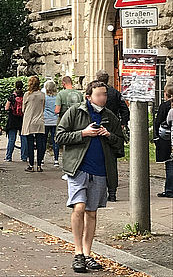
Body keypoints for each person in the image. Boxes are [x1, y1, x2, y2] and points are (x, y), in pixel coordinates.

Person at [56, 80, 124, 273]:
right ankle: (77, 252)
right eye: (99, 94)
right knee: (79, 207)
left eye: (105, 94)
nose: (103, 98)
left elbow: (120, 145)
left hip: (101, 170)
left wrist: (108, 135)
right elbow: (59, 136)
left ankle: (87, 253)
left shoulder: (110, 116)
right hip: (78, 168)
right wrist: (83, 133)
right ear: (89, 96)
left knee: (92, 212)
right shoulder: (75, 112)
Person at [95, 70, 128, 201]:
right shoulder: (114, 92)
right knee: (111, 162)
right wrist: (122, 124)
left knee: (100, 160)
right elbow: (124, 109)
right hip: (112, 128)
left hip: (99, 128)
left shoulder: (95, 92)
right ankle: (112, 193)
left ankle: (100, 191)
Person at [22, 76, 46, 172]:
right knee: (40, 144)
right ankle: (39, 165)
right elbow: (43, 107)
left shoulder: (27, 95)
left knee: (30, 144)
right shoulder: (42, 95)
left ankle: (31, 165)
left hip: (29, 121)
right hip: (39, 121)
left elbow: (23, 109)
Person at [153, 84, 173, 198]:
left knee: (170, 164)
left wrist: (156, 137)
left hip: (167, 139)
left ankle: (169, 189)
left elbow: (158, 122)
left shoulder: (165, 106)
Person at [4, 80, 27, 162]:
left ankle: (8, 156)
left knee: (12, 139)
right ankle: (24, 156)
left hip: (12, 119)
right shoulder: (25, 96)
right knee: (23, 138)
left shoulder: (11, 96)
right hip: (22, 119)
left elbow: (6, 108)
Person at [44, 80, 59, 166]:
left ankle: (41, 159)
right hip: (55, 120)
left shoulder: (44, 98)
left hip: (46, 120)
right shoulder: (58, 98)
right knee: (55, 140)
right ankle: (56, 160)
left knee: (43, 140)